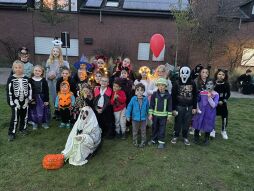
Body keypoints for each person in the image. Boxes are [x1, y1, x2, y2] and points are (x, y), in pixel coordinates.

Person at [171, 66, 197, 146]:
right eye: (183, 72)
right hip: (179, 106)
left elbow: (195, 95)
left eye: (186, 72)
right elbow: (173, 96)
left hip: (189, 107)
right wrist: (173, 108)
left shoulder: (192, 83)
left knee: (187, 122)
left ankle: (185, 136)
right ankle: (176, 135)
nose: (184, 74)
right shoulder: (176, 83)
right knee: (178, 122)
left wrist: (194, 107)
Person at [6, 60, 32, 141]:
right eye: (16, 68)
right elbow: (8, 90)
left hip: (25, 101)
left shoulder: (26, 78)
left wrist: (29, 98)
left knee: (25, 116)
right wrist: (10, 102)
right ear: (13, 69)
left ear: (23, 68)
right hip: (15, 101)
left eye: (20, 67)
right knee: (15, 117)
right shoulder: (11, 79)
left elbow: (30, 88)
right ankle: (12, 133)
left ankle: (23, 129)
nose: (18, 69)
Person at [192, 79, 219, 145]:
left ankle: (207, 138)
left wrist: (209, 97)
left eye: (211, 84)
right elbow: (197, 101)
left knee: (208, 124)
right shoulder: (202, 92)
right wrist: (197, 109)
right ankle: (196, 136)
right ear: (205, 85)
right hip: (201, 112)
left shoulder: (216, 94)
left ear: (214, 85)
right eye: (207, 84)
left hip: (210, 113)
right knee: (198, 123)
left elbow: (214, 105)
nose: (209, 85)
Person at [148, 78, 172, 149]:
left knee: (162, 129)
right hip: (155, 115)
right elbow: (151, 105)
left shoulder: (168, 96)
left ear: (165, 86)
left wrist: (169, 116)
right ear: (157, 86)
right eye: (159, 85)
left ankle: (161, 142)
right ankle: (154, 139)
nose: (161, 87)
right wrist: (150, 114)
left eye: (163, 85)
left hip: (163, 116)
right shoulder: (154, 94)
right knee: (154, 128)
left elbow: (170, 106)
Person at [126, 83, 149, 148]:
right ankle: (135, 141)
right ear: (135, 91)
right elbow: (129, 107)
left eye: (141, 90)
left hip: (143, 119)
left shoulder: (146, 99)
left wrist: (149, 115)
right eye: (137, 90)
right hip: (135, 119)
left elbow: (148, 108)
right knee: (135, 131)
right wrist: (128, 115)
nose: (139, 92)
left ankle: (143, 141)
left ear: (144, 91)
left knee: (143, 131)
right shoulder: (133, 99)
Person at [28, 65, 50, 130]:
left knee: (44, 110)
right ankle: (35, 123)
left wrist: (46, 100)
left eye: (39, 71)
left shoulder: (43, 80)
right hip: (33, 98)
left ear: (42, 72)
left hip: (42, 98)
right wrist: (30, 99)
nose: (37, 72)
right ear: (33, 71)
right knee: (33, 111)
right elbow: (28, 90)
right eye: (36, 70)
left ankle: (44, 122)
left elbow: (46, 91)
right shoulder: (30, 80)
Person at [213, 69, 231, 139]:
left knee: (224, 117)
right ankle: (212, 130)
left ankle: (223, 131)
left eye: (223, 75)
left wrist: (223, 101)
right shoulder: (213, 83)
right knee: (212, 117)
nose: (221, 76)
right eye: (219, 74)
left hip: (222, 104)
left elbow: (228, 94)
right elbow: (210, 93)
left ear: (225, 76)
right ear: (216, 75)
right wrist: (215, 101)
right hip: (214, 103)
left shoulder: (226, 84)